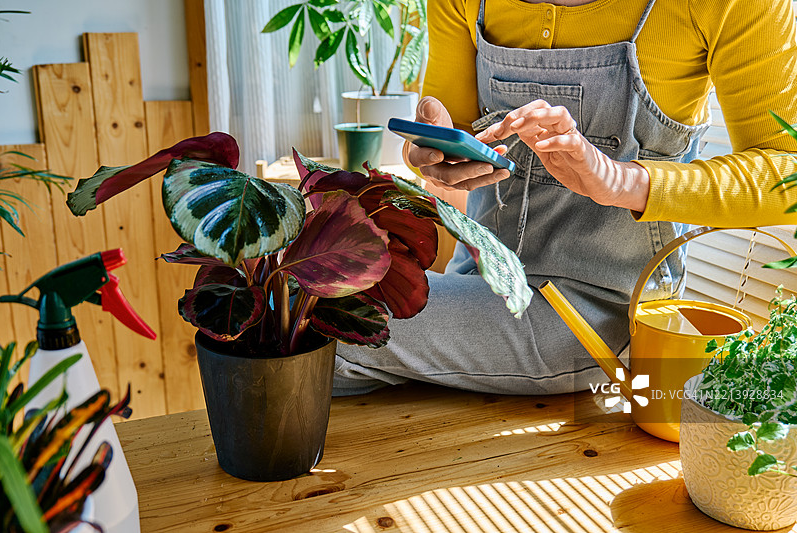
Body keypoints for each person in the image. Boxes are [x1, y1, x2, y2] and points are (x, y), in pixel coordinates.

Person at [332, 0, 797, 396]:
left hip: (602, 319)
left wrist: (620, 181)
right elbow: (450, 132)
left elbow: (786, 173)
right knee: (295, 339)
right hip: (479, 281)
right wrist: (433, 154)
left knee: (309, 320)